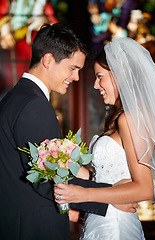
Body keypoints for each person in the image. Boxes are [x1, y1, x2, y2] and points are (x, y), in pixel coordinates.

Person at [0, 22, 118, 240]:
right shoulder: (33, 105)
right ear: (48, 60)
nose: (76, 78)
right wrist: (110, 199)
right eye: (73, 68)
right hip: (33, 229)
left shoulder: (18, 98)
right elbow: (47, 178)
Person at [54, 37, 155, 239]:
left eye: (100, 76)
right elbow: (107, 178)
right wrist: (66, 161)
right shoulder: (122, 117)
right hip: (103, 218)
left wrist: (83, 194)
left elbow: (144, 188)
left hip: (115, 225)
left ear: (120, 74)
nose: (95, 84)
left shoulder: (130, 119)